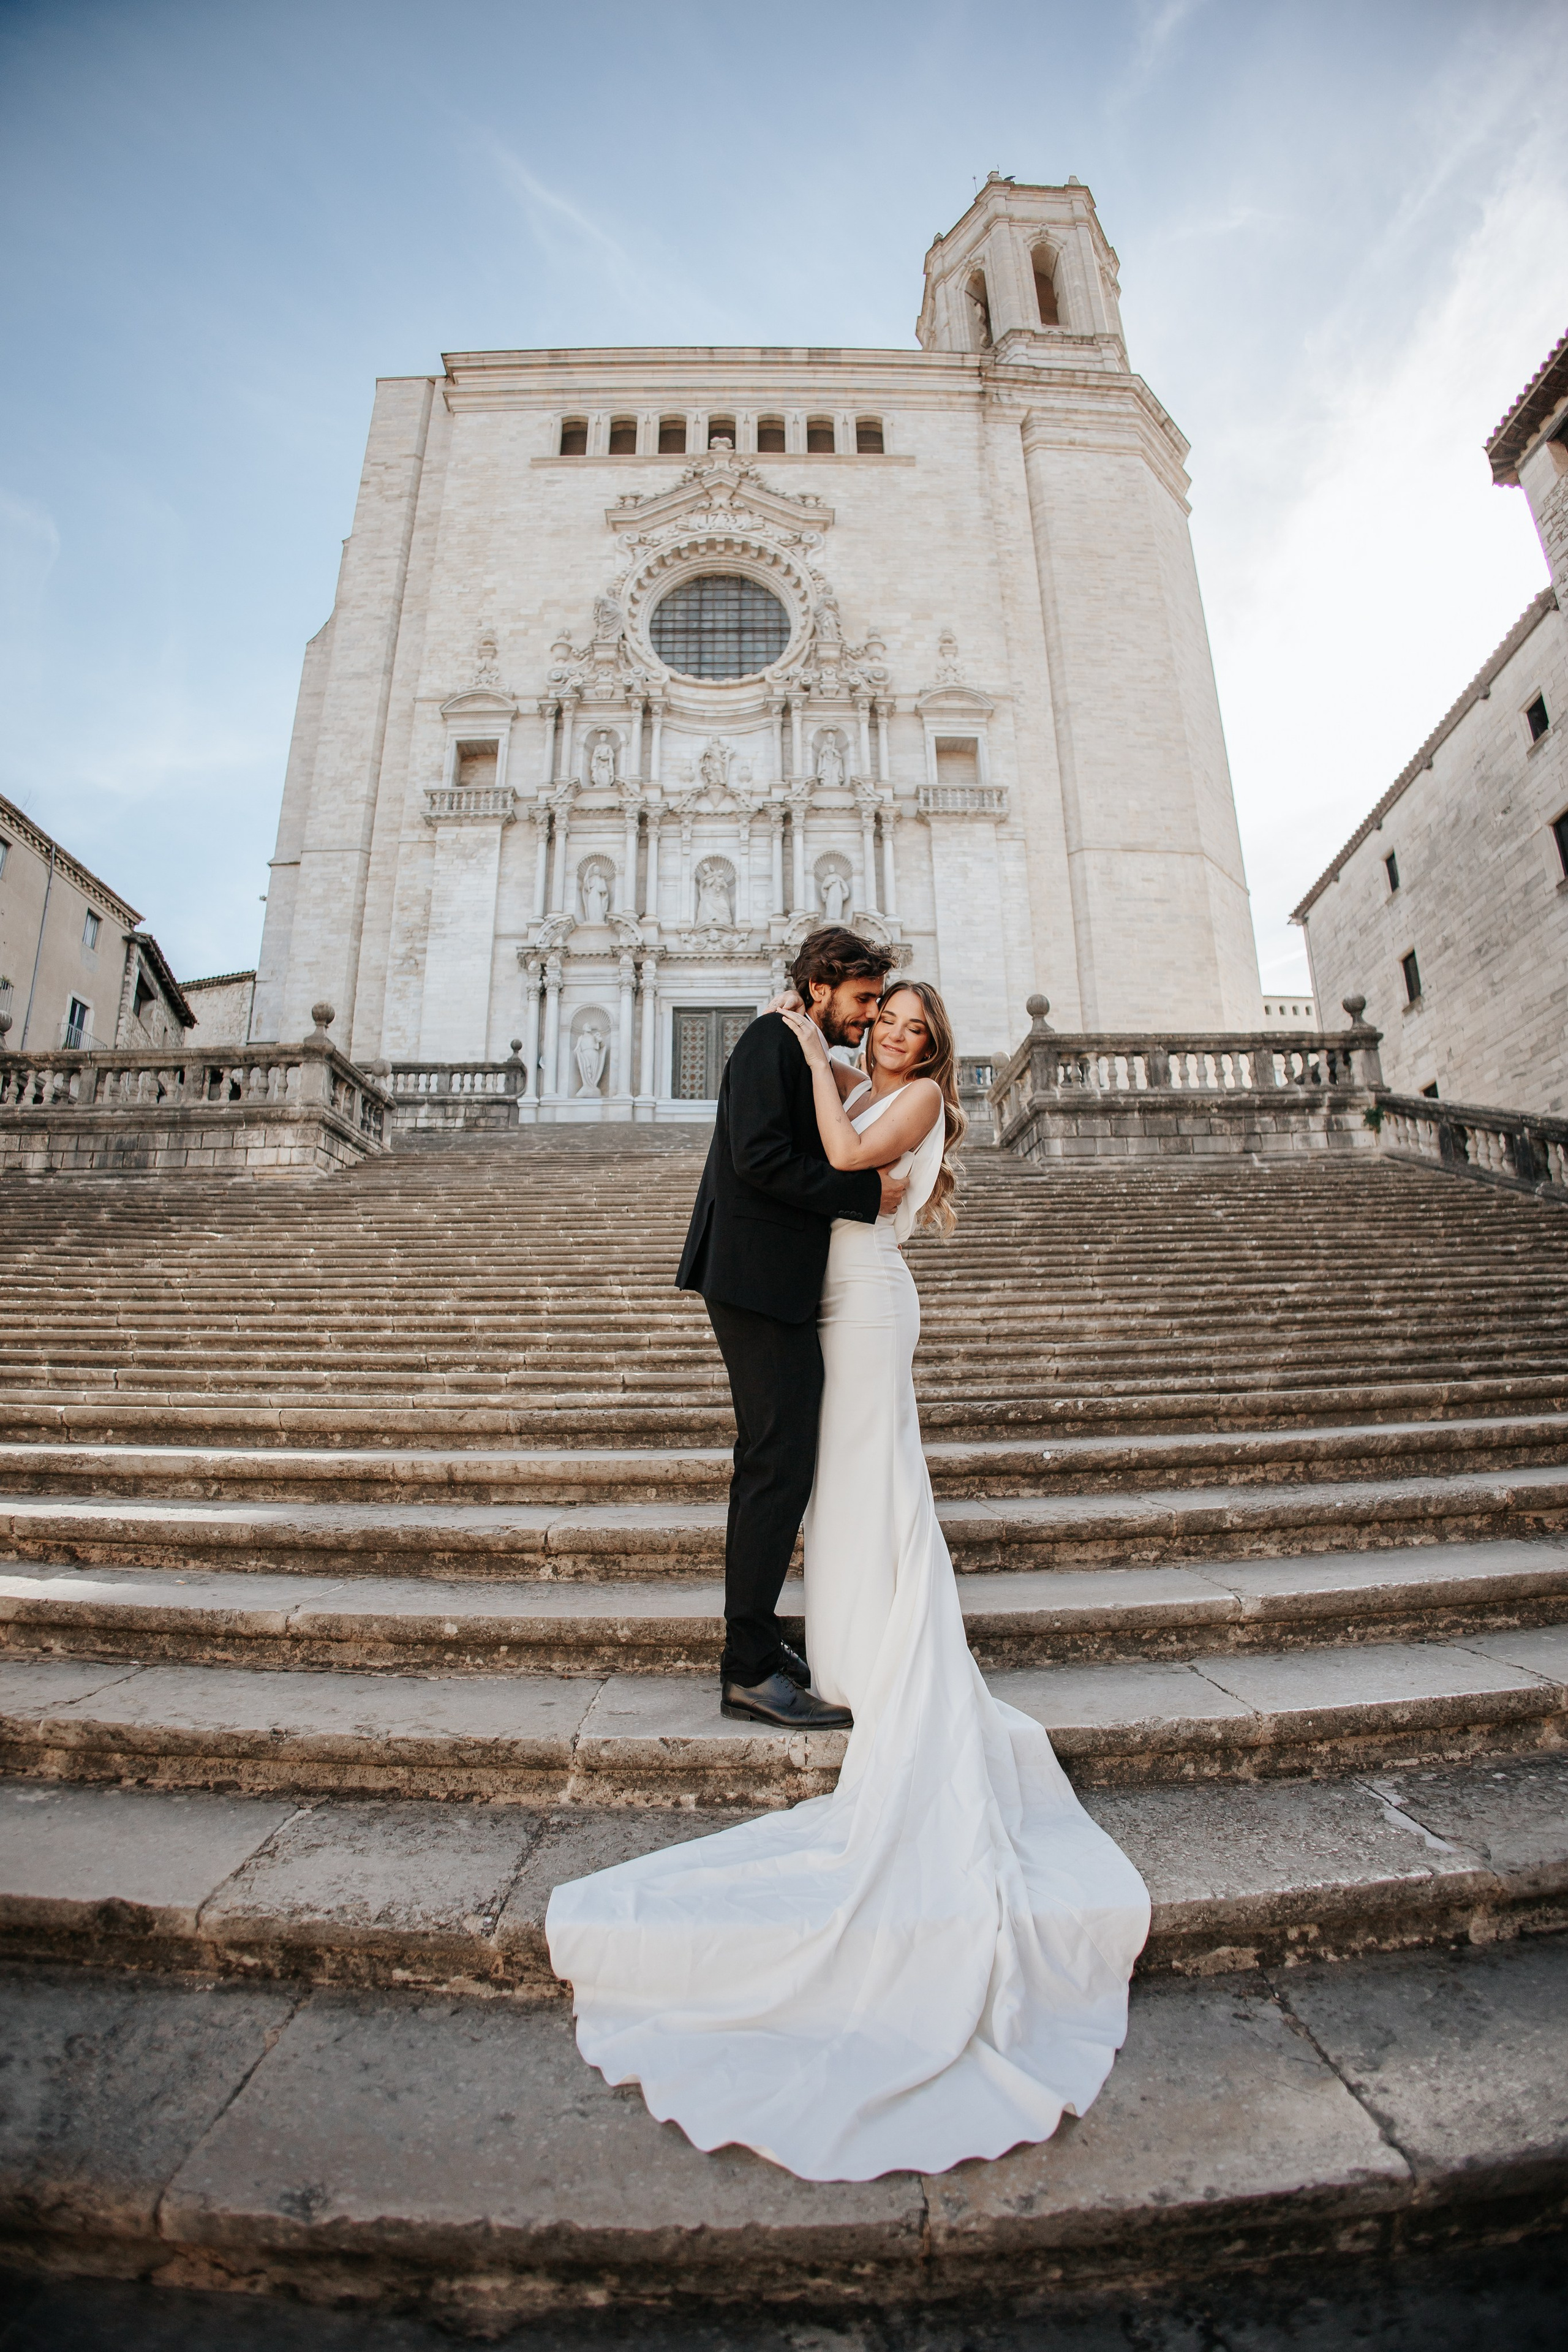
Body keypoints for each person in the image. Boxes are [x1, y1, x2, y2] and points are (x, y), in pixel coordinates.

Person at [546, 967, 1150, 2184]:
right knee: (838, 1483)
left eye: (909, 1026)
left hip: (865, 1303)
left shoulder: (905, 1103)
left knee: (861, 1481)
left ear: (928, 1048)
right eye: (881, 1016)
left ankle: (866, 1658)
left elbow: (844, 1170)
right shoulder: (861, 1072)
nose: (890, 1032)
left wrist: (805, 1051)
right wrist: (819, 1058)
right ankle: (838, 1647)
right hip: (822, 1294)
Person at [670, 924, 903, 1729]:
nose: (871, 1018)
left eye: (878, 1003)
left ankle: (761, 1640)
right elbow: (759, 1158)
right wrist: (866, 1199)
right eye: (864, 1001)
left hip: (769, 1279)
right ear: (817, 989)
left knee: (781, 1462)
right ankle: (748, 1666)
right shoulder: (772, 1040)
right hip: (756, 1278)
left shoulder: (788, 1038)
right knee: (775, 1465)